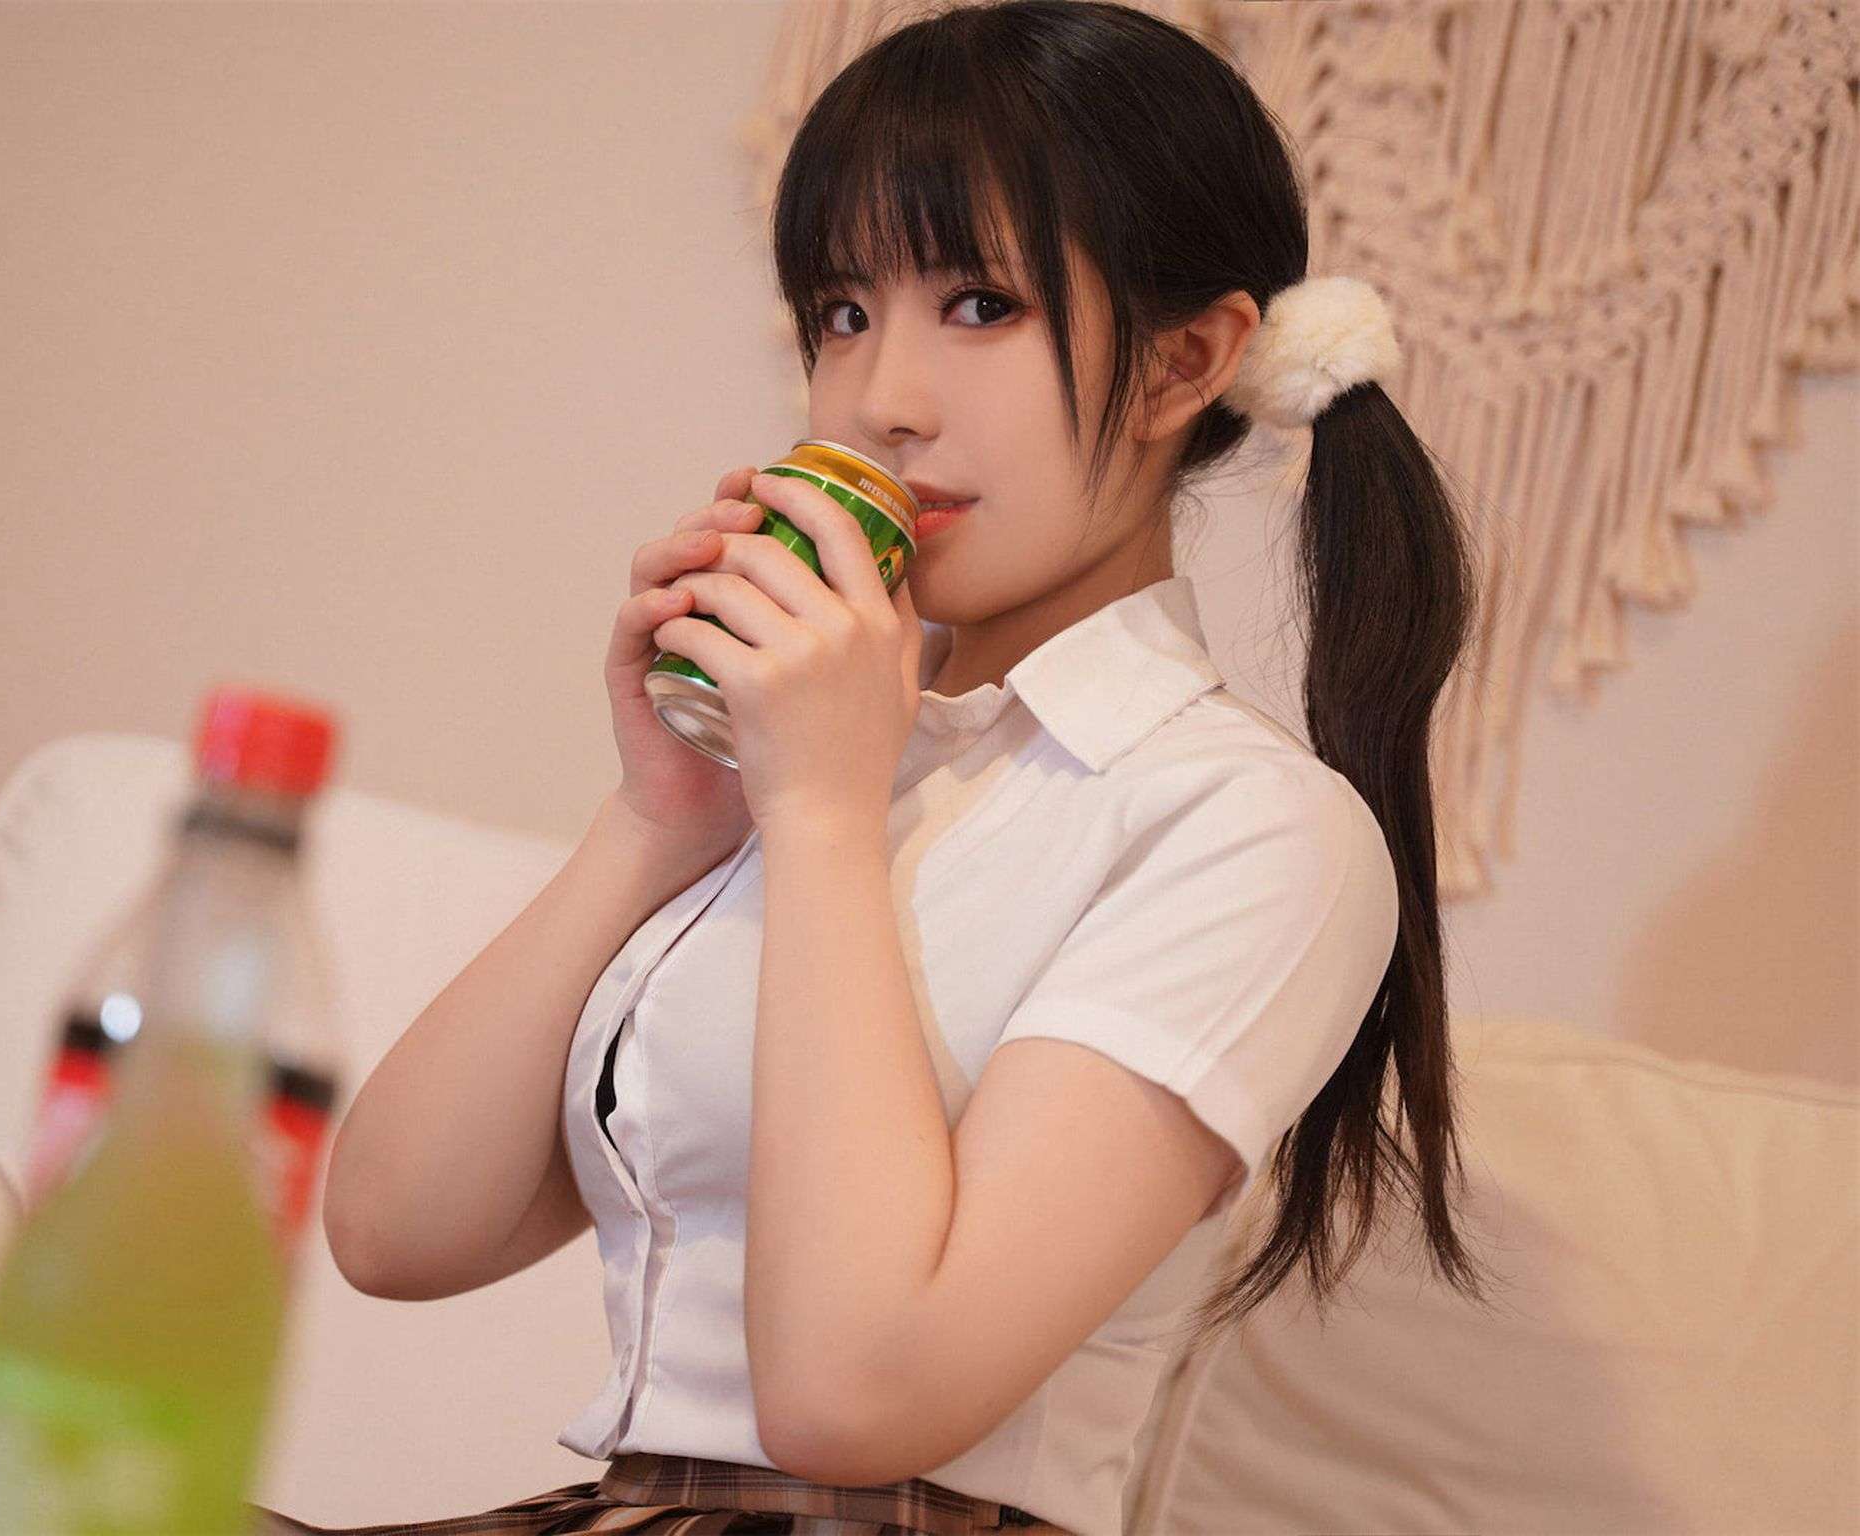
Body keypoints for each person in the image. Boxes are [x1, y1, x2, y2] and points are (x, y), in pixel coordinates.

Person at [276, 2, 1502, 1531]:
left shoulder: (1251, 830)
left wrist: (818, 816)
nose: (877, 400)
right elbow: (392, 1235)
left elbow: (856, 1399)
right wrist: (659, 815)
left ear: (1183, 361)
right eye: (842, 312)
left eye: (979, 304)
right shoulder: (831, 754)